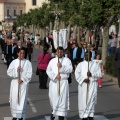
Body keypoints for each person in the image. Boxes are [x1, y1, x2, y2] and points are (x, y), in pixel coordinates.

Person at [46, 46, 73, 120]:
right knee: (53, 98)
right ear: (56, 52)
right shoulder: (52, 61)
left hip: (63, 83)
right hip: (54, 83)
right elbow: (48, 70)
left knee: (62, 99)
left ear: (63, 52)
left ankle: (61, 115)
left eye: (61, 52)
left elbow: (70, 69)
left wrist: (62, 67)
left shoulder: (67, 60)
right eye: (58, 52)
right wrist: (55, 76)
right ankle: (53, 111)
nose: (60, 53)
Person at [75, 52, 102, 120]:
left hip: (92, 85)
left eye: (89, 55)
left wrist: (92, 74)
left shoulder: (95, 64)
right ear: (84, 56)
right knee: (83, 100)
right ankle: (84, 115)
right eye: (86, 55)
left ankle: (90, 115)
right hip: (83, 85)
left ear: (91, 56)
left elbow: (99, 74)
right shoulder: (80, 64)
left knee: (91, 100)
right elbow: (77, 74)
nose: (87, 56)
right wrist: (83, 80)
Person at [7, 48, 32, 120]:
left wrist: (22, 79)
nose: (22, 55)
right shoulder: (14, 62)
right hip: (15, 83)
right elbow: (9, 72)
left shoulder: (28, 63)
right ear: (18, 53)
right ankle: (15, 115)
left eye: (23, 53)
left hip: (23, 84)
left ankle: (21, 116)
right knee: (14, 99)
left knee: (22, 100)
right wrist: (16, 71)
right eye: (21, 53)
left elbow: (29, 74)